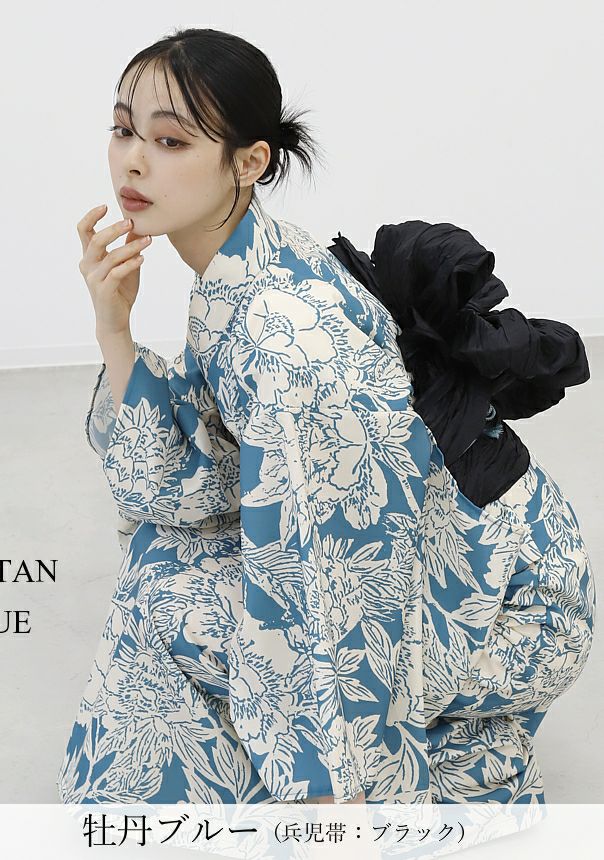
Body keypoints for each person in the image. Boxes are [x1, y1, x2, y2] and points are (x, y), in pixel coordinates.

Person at [56, 27, 596, 805]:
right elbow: (193, 484)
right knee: (164, 554)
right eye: (122, 130)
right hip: (447, 550)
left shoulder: (286, 337)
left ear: (250, 162)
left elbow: (345, 567)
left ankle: (432, 770)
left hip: (509, 601)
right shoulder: (241, 267)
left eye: (170, 140)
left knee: (173, 597)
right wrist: (115, 327)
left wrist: (330, 789)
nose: (133, 161)